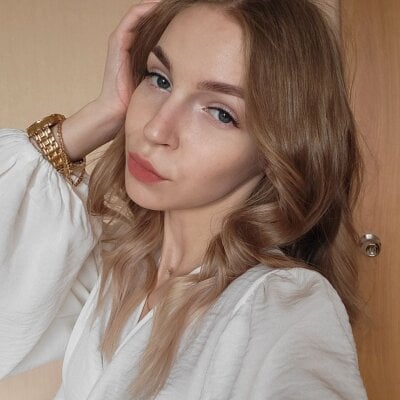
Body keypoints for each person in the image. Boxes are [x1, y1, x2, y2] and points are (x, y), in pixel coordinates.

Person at [0, 0, 368, 399]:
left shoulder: (281, 307)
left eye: (221, 113)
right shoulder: (119, 272)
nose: (156, 129)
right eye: (159, 79)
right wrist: (101, 114)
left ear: (279, 148)